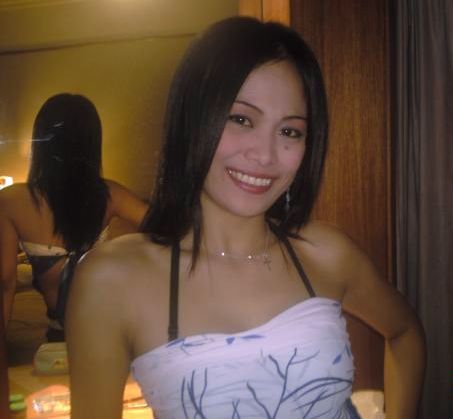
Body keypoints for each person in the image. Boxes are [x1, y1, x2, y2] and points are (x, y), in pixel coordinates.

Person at [66, 17, 425, 418]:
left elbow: (406, 332)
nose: (265, 155)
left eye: (290, 132)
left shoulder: (326, 253)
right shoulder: (111, 280)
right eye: (241, 119)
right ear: (193, 118)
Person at [0, 93, 147, 342]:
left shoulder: (12, 200)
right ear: (92, 145)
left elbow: (5, 283)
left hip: (63, 334)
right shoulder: (110, 195)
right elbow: (169, 231)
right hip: (106, 333)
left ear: (41, 142)